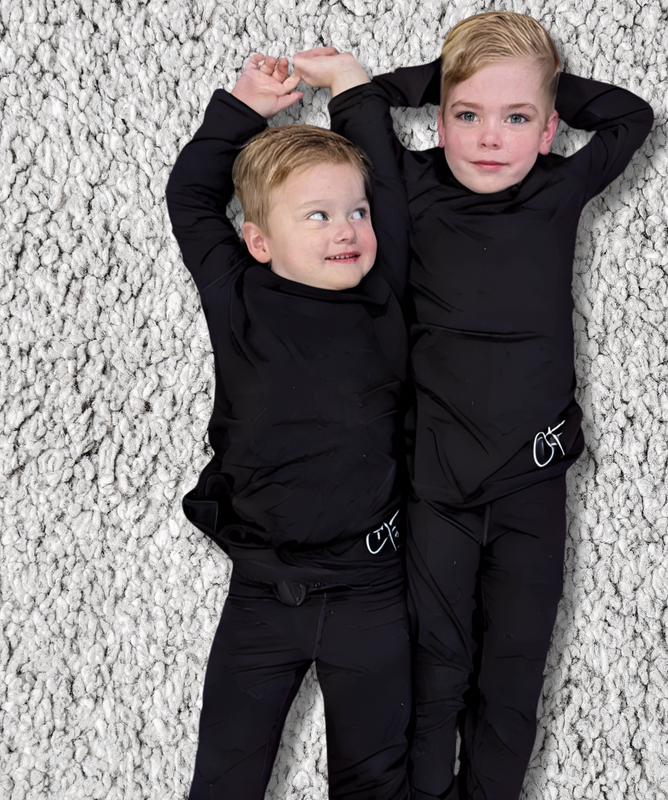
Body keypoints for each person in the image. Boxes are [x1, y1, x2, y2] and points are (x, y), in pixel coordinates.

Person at [327, 10, 654, 799]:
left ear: (547, 131)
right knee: (435, 676)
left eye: (516, 119)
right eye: (466, 115)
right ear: (438, 120)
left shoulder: (561, 185)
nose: (488, 138)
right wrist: (444, 78)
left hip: (533, 483)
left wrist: (532, 83)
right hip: (437, 482)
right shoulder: (406, 184)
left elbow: (629, 114)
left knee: (510, 683)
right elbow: (363, 105)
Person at [165, 50, 413, 800]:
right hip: (262, 595)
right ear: (260, 244)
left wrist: (352, 92)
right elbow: (189, 197)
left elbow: (392, 199)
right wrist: (242, 107)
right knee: (224, 779)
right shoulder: (239, 296)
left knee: (373, 782)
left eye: (354, 212)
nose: (346, 231)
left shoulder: (385, 293)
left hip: (371, 588)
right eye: (318, 215)